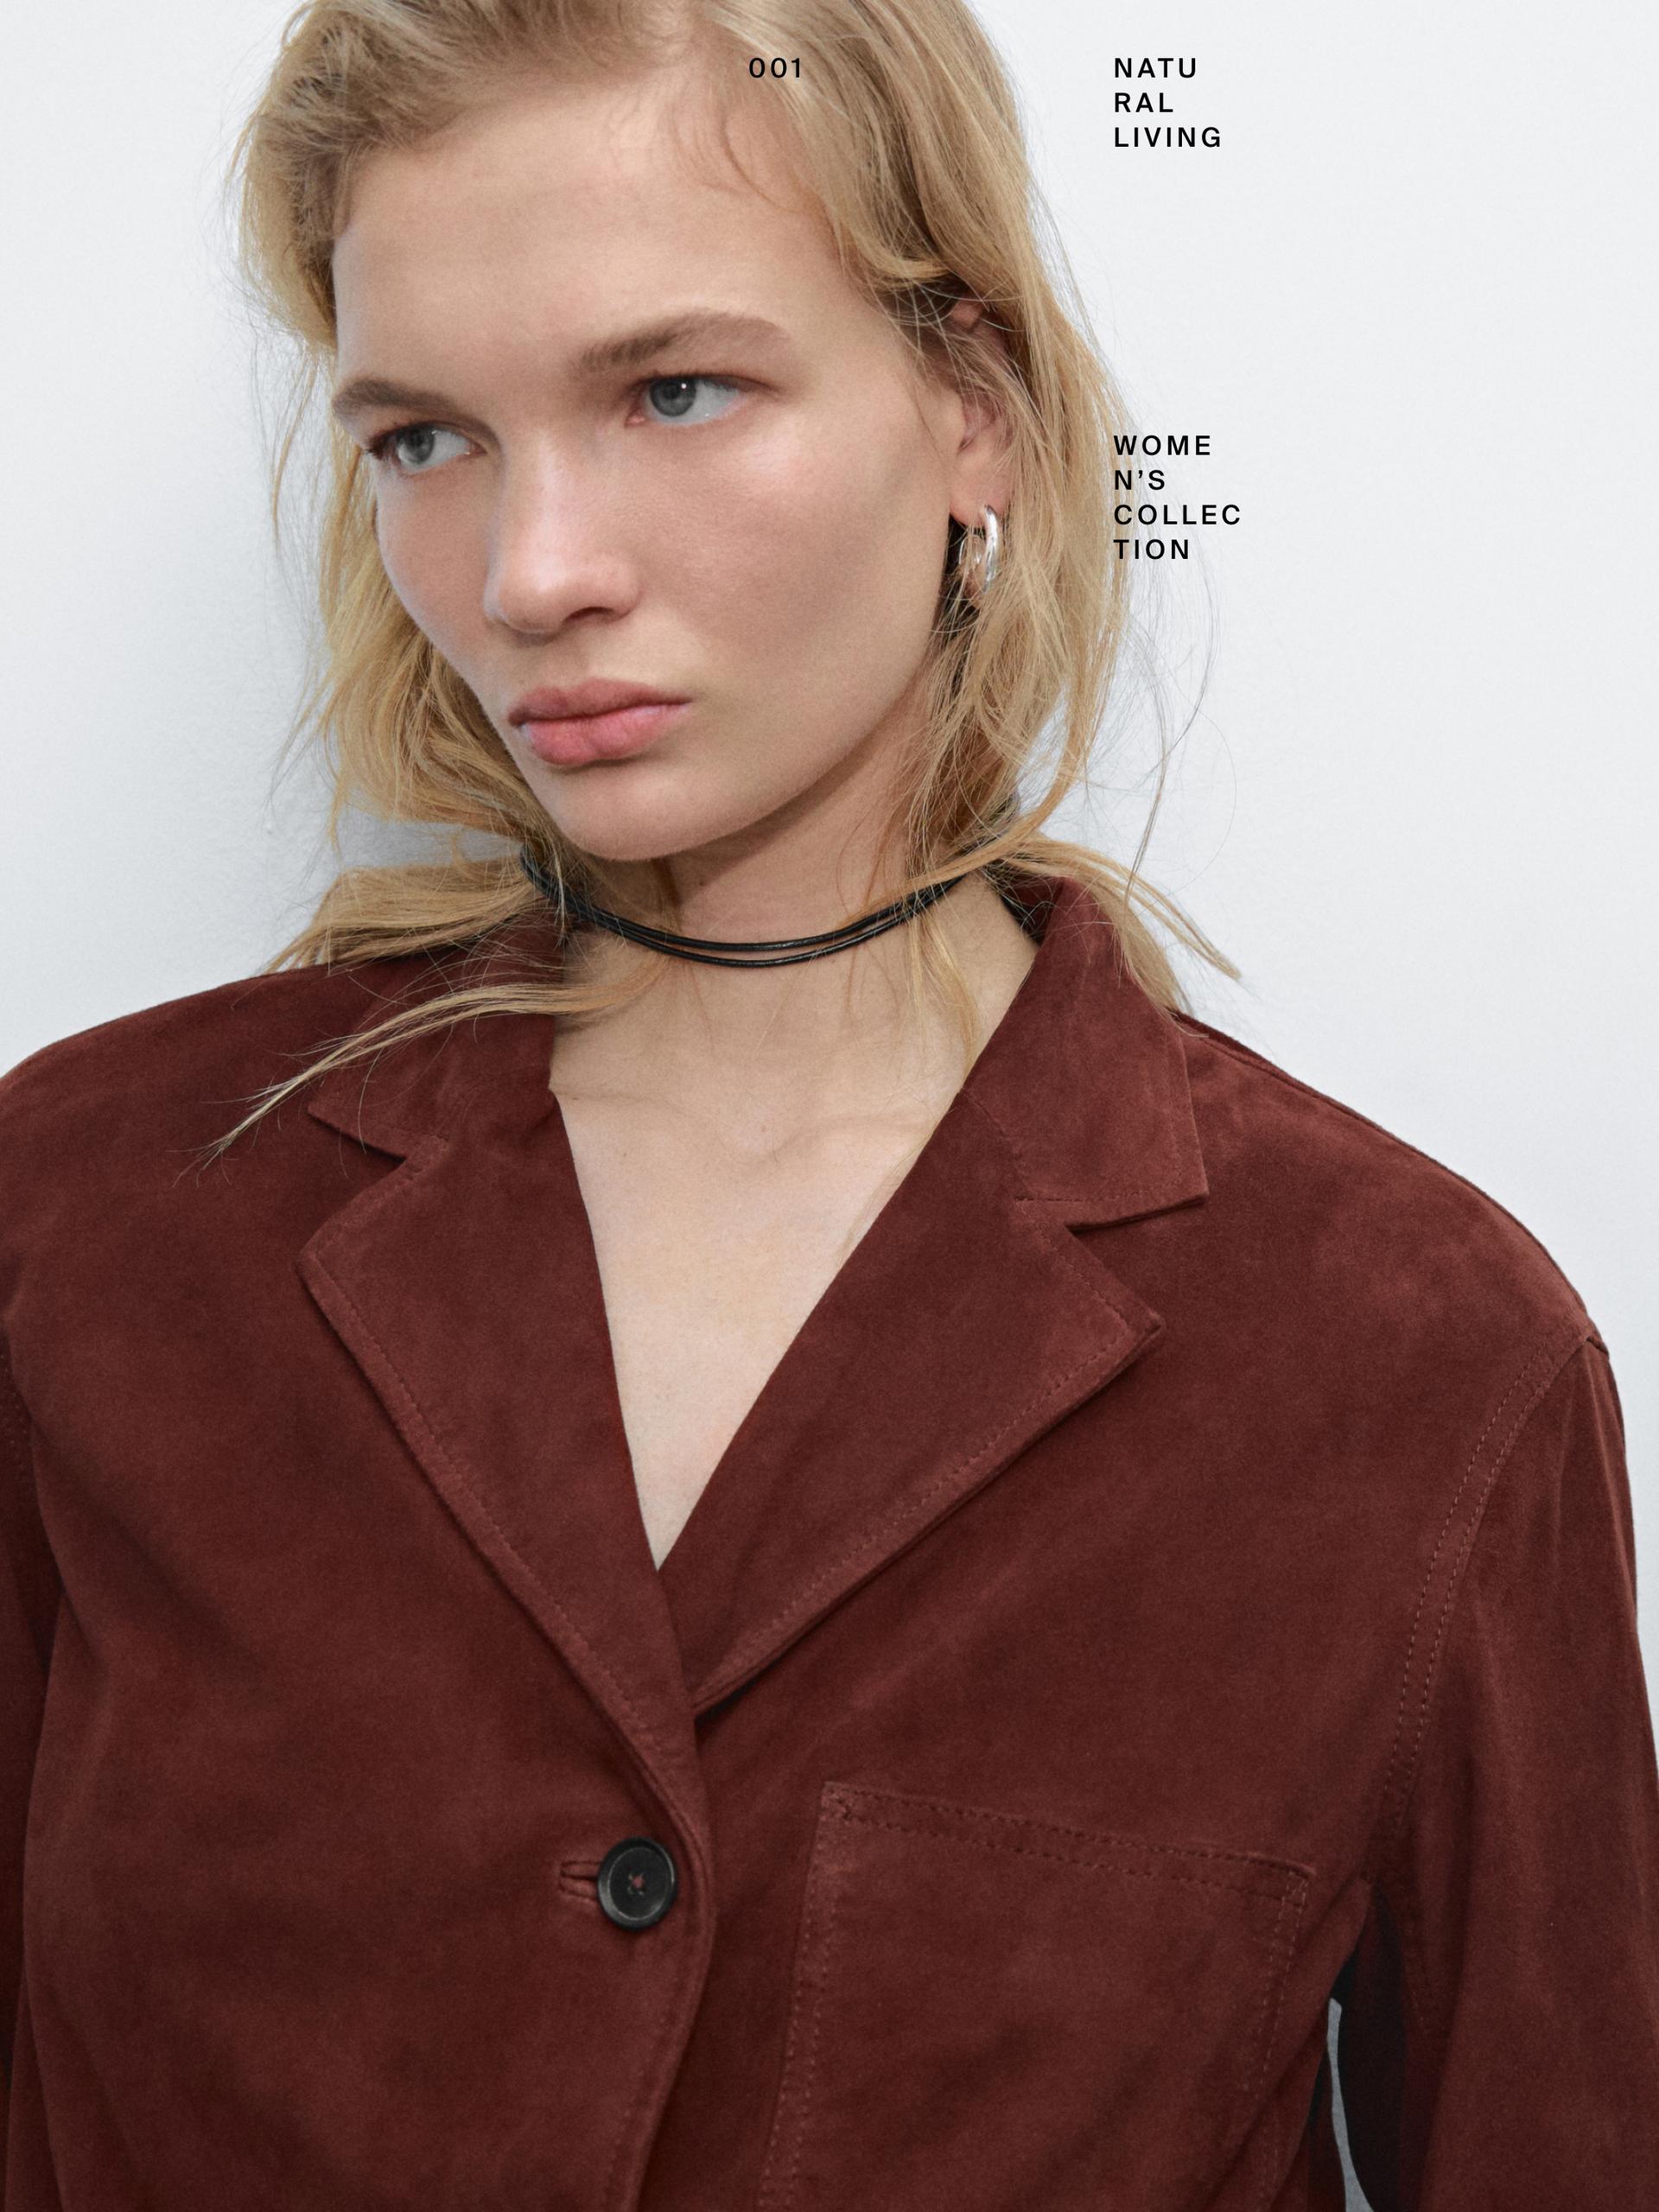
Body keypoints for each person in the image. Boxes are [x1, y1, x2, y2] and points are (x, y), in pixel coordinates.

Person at [2, 3, 1655, 2206]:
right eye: (424, 437)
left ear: (974, 410)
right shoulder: (92, 1221)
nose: (529, 571)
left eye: (674, 389)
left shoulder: (1405, 1354)